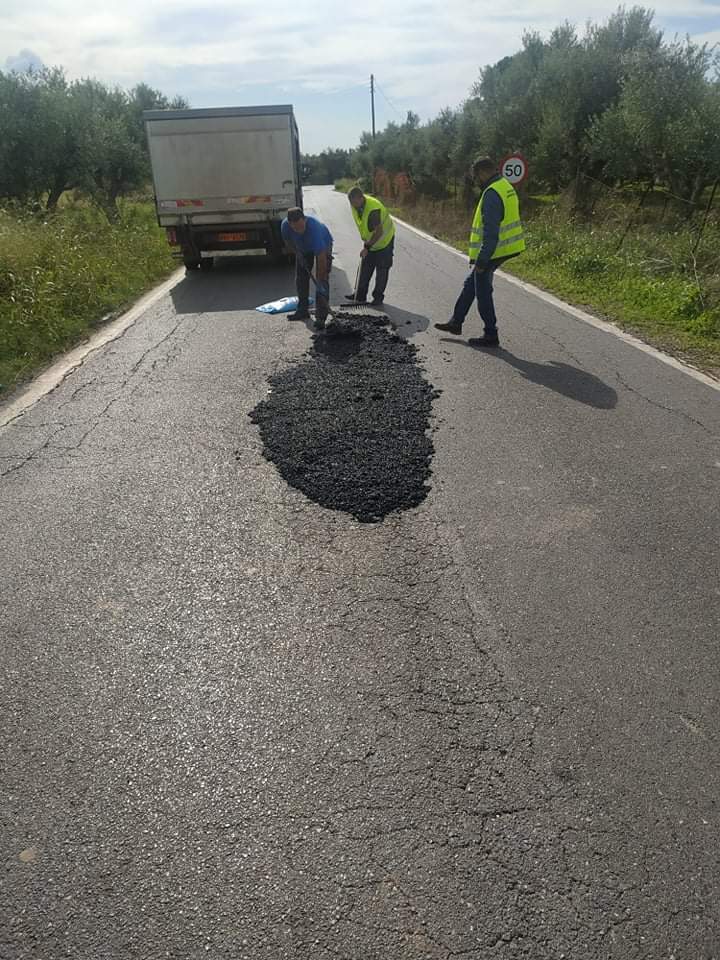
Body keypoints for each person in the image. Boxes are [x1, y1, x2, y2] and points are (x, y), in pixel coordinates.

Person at [435, 157, 525, 347]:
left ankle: (490, 334)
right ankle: (456, 322)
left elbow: (490, 233)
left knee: (482, 290)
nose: (476, 180)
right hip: (505, 247)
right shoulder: (504, 185)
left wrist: (482, 261)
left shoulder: (492, 194)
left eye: (476, 176)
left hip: (495, 250)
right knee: (471, 284)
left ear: (483, 172)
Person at [281, 207, 333, 327]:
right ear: (289, 224)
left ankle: (321, 317)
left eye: (300, 227)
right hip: (303, 247)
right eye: (295, 228)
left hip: (323, 246)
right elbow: (288, 242)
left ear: (304, 220)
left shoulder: (315, 229)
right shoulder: (285, 226)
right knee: (301, 278)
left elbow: (321, 258)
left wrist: (320, 282)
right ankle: (302, 310)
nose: (298, 230)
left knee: (322, 280)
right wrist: (298, 254)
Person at [346, 187, 396, 307]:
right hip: (371, 242)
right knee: (365, 266)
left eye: (355, 202)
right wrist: (367, 245)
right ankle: (360, 295)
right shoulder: (356, 206)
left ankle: (378, 298)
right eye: (351, 203)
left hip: (384, 242)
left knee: (382, 269)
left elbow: (378, 231)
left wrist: (367, 247)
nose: (353, 205)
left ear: (361, 197)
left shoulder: (373, 209)